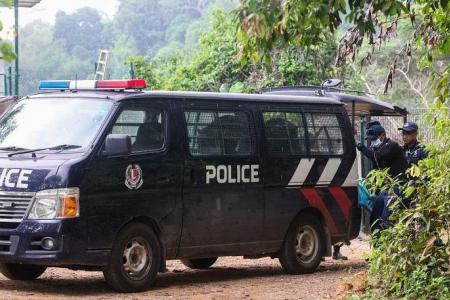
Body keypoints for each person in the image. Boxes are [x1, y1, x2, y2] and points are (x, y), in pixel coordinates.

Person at [356, 123, 408, 229]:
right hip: (385, 189)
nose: (372, 142)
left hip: (396, 187)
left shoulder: (391, 145)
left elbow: (377, 156)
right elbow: (376, 170)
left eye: (374, 139)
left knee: (386, 217)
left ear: (382, 135)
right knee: (375, 217)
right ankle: (377, 242)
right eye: (371, 140)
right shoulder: (377, 148)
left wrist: (360, 146)